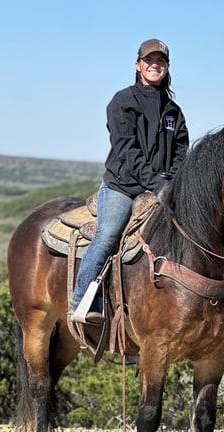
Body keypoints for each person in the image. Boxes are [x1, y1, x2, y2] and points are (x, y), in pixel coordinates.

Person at [70, 38, 189, 324]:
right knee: (109, 233)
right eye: (149, 60)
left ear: (167, 67)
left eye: (160, 61)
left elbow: (182, 150)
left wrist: (170, 180)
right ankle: (81, 299)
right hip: (123, 186)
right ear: (138, 65)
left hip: (162, 186)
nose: (154, 65)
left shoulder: (173, 111)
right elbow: (127, 151)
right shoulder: (122, 102)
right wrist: (156, 183)